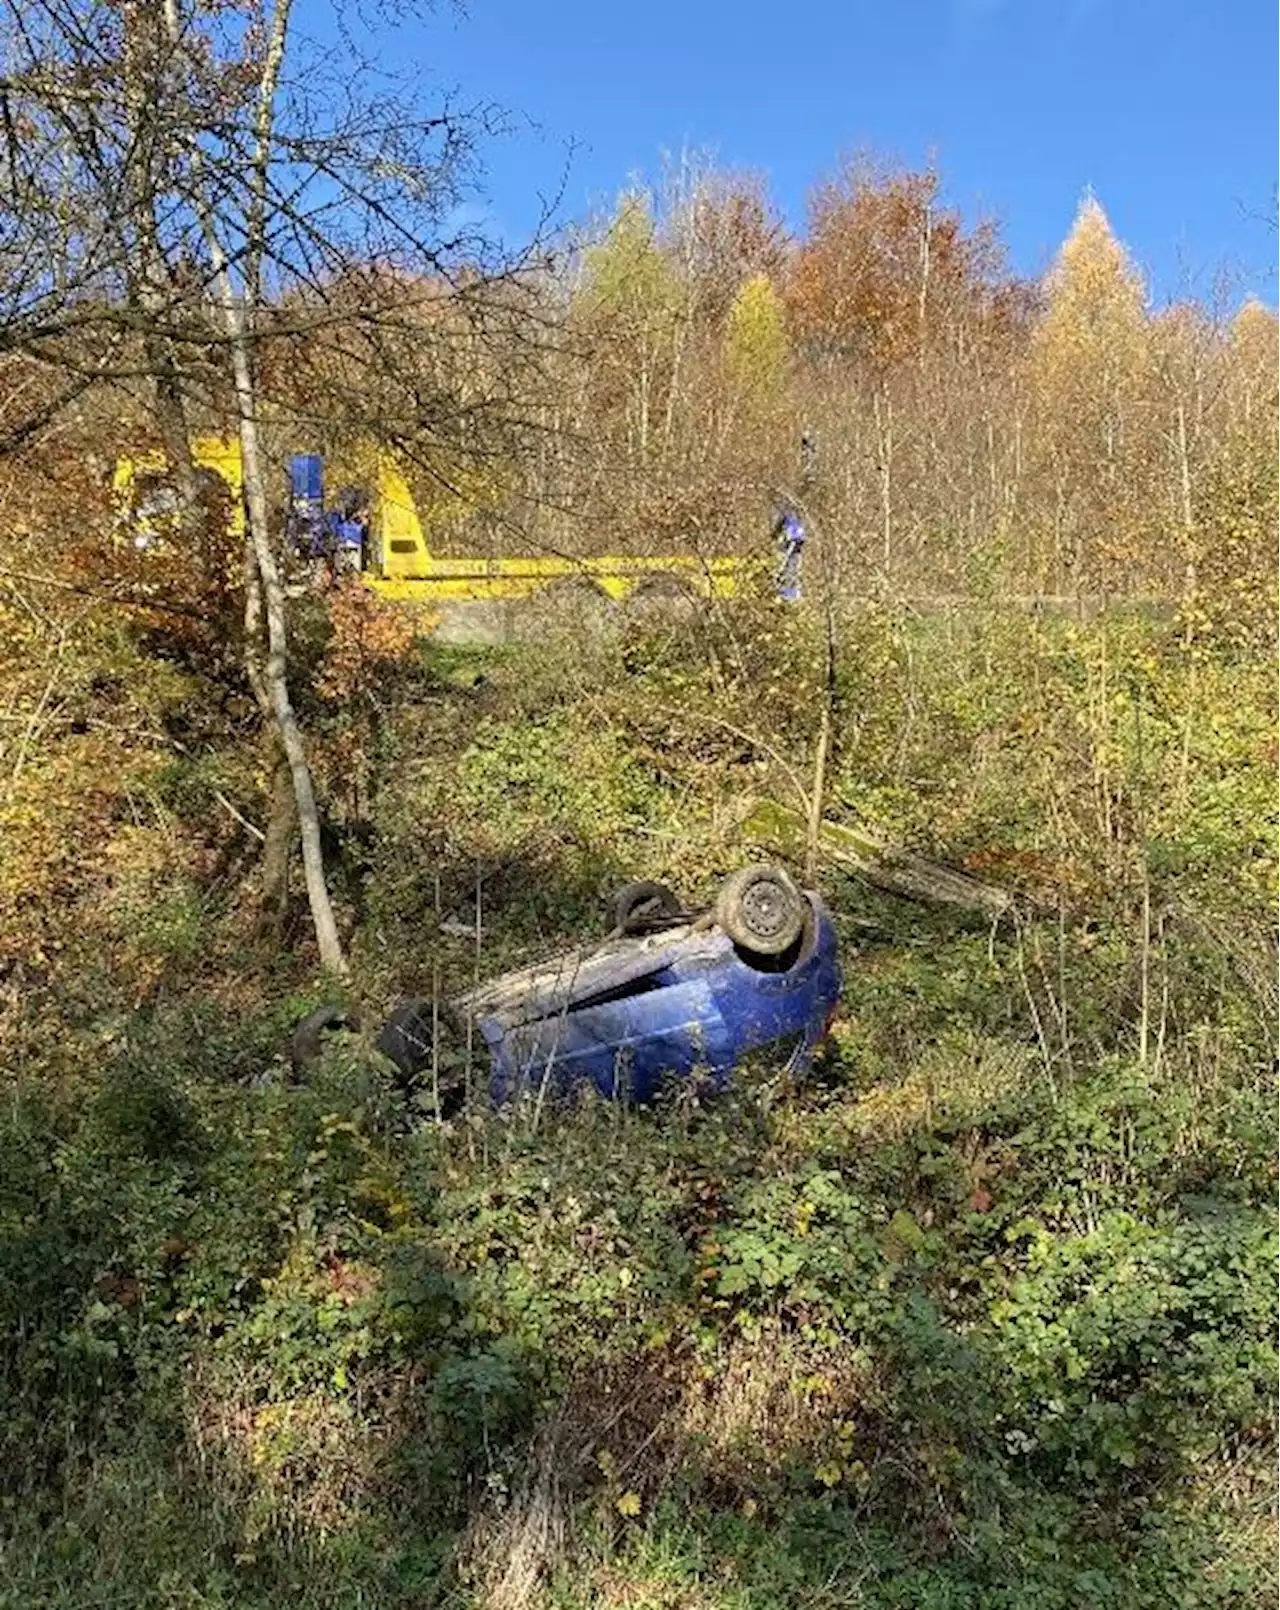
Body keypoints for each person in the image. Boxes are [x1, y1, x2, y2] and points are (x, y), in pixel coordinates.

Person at [773, 506, 807, 603]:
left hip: (793, 540)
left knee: (792, 565)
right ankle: (786, 589)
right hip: (790, 541)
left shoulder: (793, 523)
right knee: (787, 564)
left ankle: (789, 591)